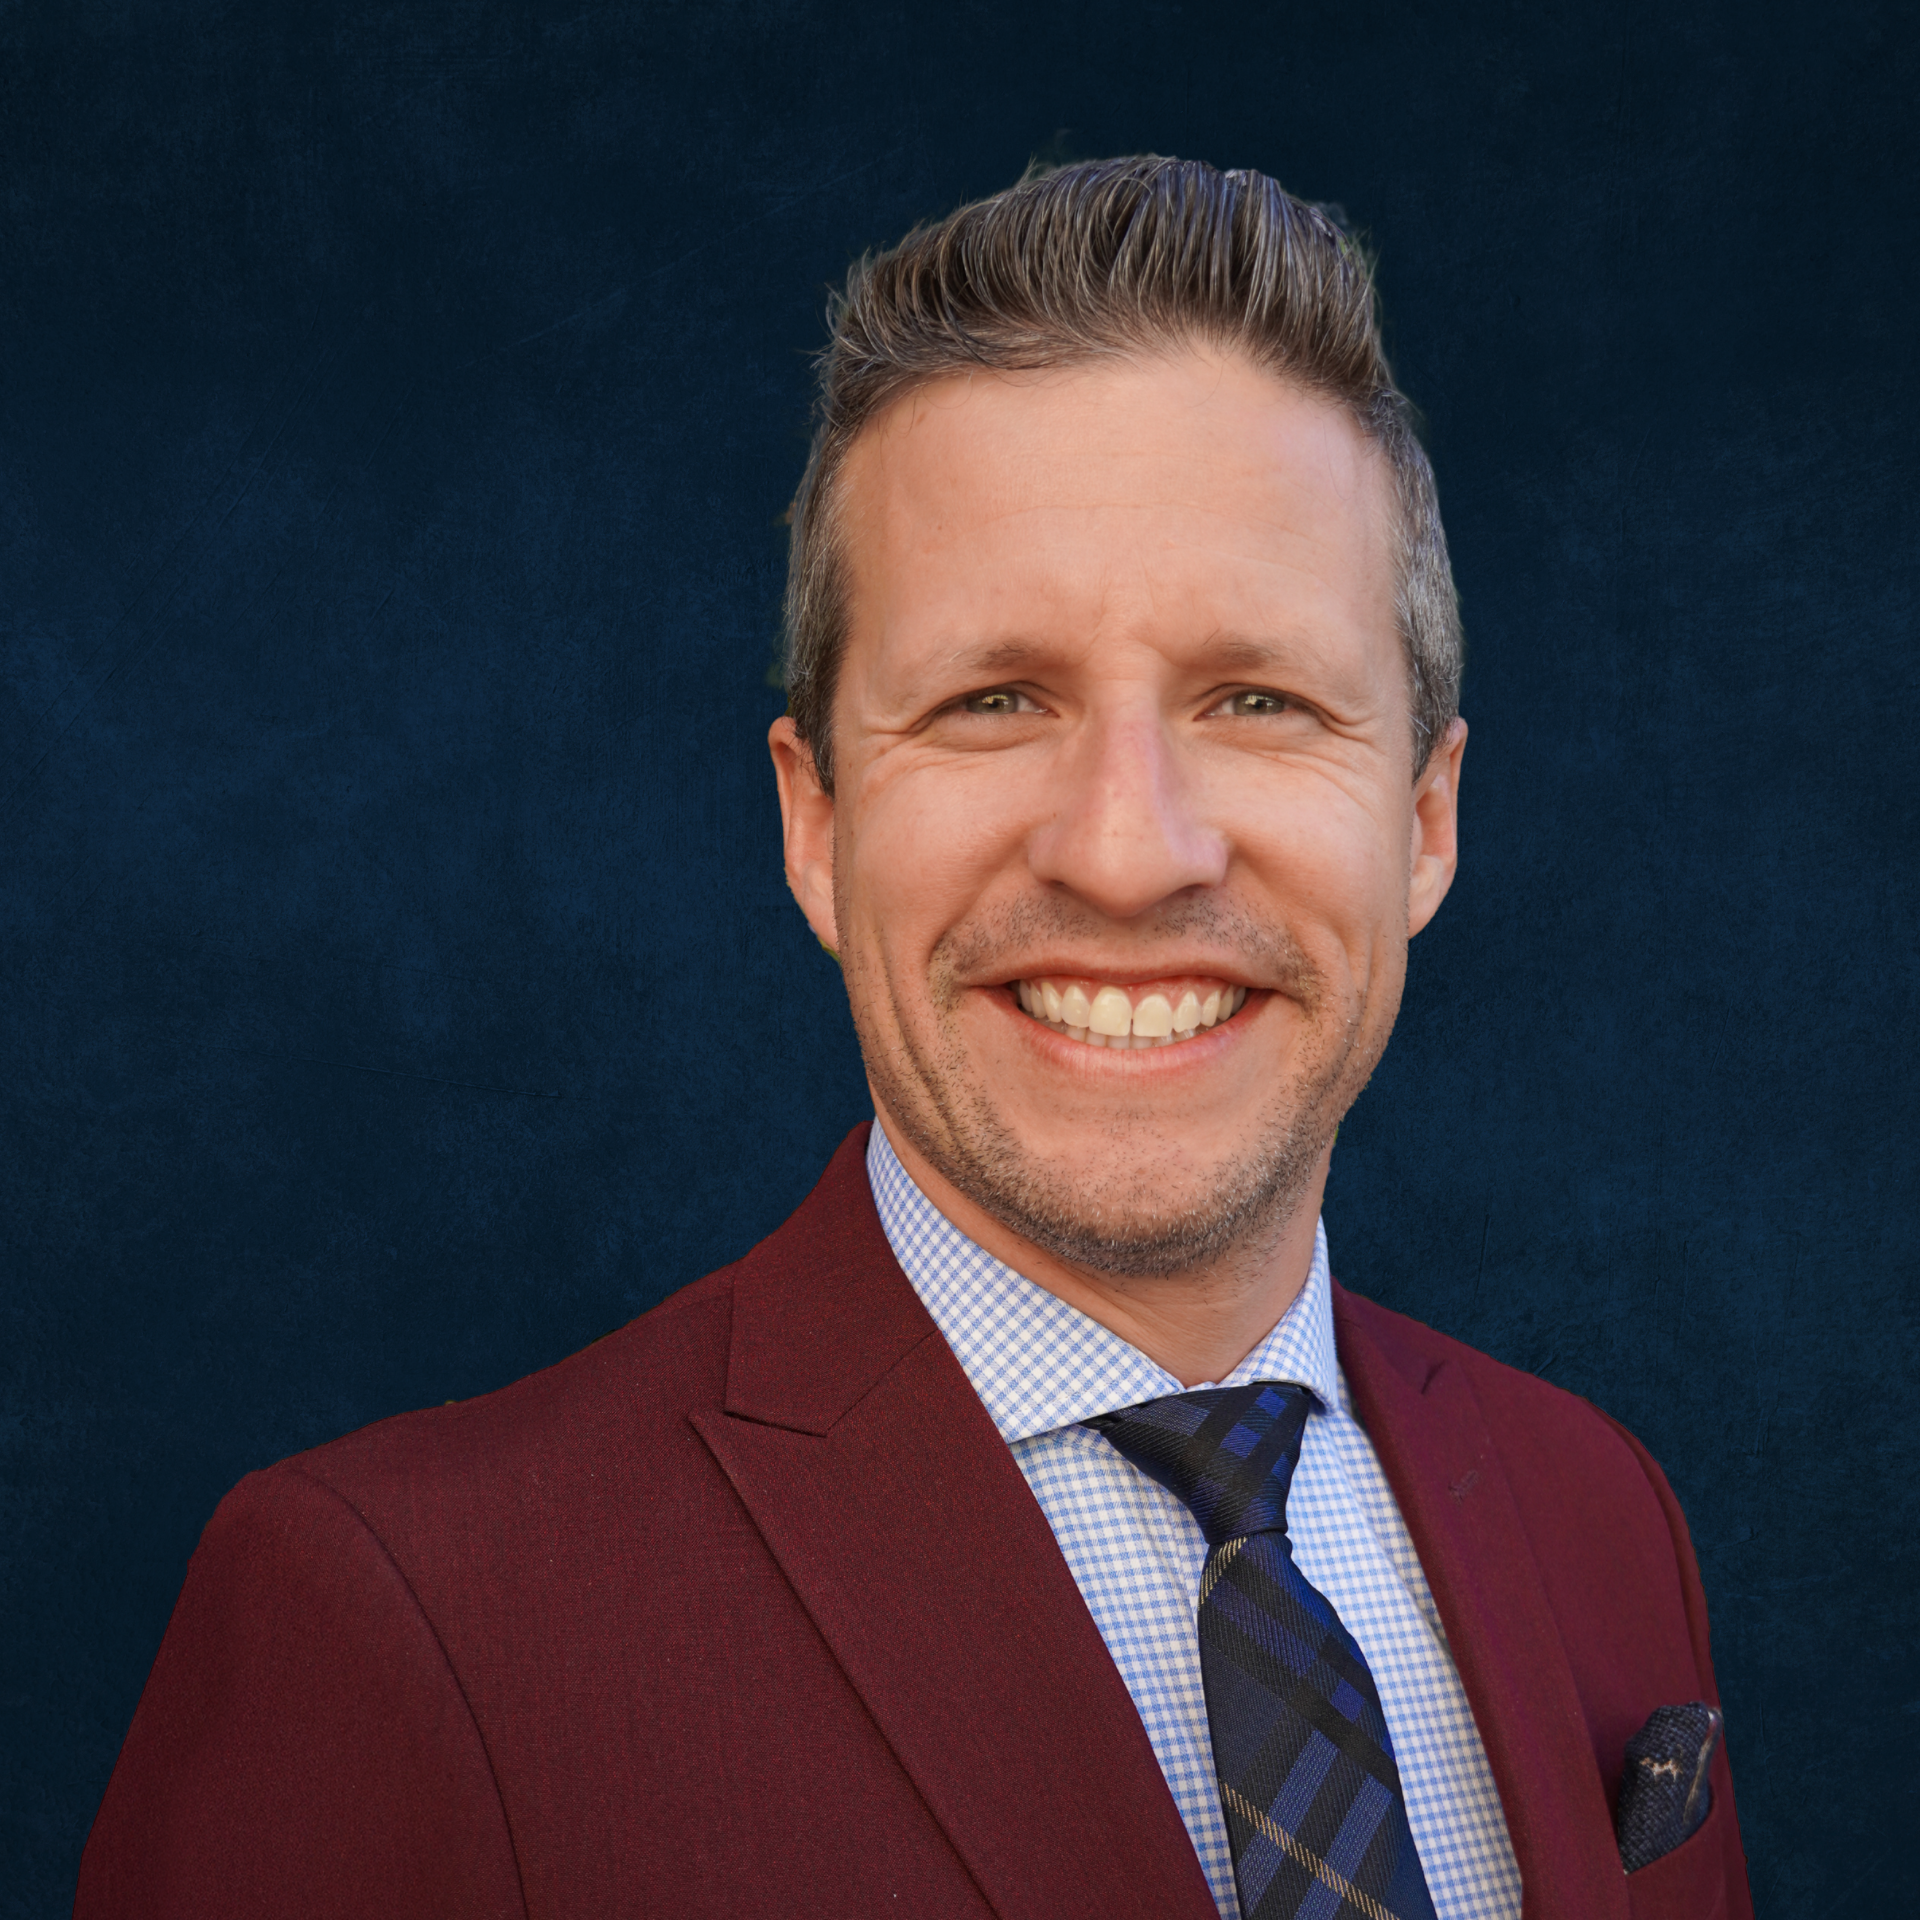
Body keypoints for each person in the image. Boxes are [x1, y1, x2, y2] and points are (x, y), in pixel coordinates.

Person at [76, 158, 1752, 1920]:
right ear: (816, 823)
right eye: (993, 700)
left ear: (1423, 820)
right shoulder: (398, 1616)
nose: (1127, 848)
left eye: (1258, 698)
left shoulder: (1598, 1511)